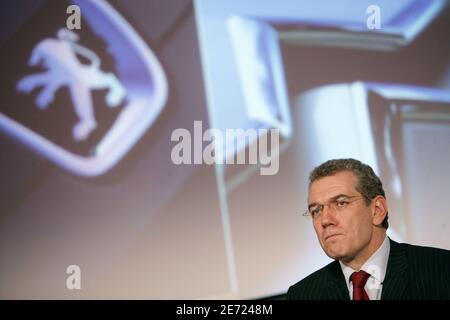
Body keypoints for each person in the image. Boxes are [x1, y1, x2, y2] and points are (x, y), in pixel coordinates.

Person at [287, 158, 450, 300]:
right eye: (316, 210)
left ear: (377, 210)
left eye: (341, 203)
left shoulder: (441, 270)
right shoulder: (303, 294)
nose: (325, 220)